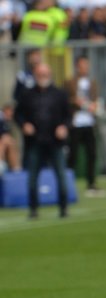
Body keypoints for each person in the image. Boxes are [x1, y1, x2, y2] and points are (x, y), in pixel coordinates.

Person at [13, 62, 71, 219]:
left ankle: (64, 208)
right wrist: (24, 125)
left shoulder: (60, 94)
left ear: (50, 75)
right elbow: (17, 114)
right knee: (32, 178)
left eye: (45, 74)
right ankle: (33, 209)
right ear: (35, 75)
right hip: (35, 142)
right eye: (39, 74)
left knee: (61, 175)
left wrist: (64, 127)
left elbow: (68, 116)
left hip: (55, 142)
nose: (42, 77)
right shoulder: (27, 94)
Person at [65, 55, 104, 197]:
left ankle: (91, 183)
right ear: (77, 66)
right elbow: (64, 99)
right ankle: (68, 183)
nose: (85, 68)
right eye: (82, 65)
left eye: (86, 65)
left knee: (91, 154)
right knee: (73, 155)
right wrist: (74, 101)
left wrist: (95, 106)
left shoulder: (92, 83)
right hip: (76, 123)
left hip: (89, 122)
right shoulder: (70, 82)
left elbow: (96, 100)